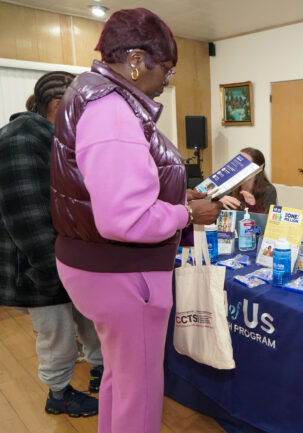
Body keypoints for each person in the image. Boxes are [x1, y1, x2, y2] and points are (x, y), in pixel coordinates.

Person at [49, 9, 221, 433]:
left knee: (120, 379)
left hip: (96, 266)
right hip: (122, 274)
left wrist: (179, 195)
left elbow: (114, 188)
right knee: (140, 393)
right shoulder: (112, 111)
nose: (167, 81)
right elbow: (125, 218)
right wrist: (186, 213)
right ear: (138, 60)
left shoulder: (89, 92)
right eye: (167, 69)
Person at [0, 71, 102, 417]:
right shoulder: (20, 138)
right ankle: (58, 394)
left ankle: (99, 371)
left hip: (70, 258)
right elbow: (24, 212)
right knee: (56, 335)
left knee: (90, 320)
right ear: (59, 105)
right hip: (40, 264)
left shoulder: (59, 141)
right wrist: (48, 270)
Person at [219, 147, 277, 213]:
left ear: (256, 168)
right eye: (237, 161)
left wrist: (253, 207)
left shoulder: (269, 190)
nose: (239, 166)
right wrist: (218, 201)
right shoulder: (229, 185)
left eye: (244, 162)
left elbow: (267, 221)